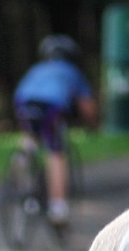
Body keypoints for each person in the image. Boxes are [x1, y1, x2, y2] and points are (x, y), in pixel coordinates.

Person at [11, 34, 99, 224]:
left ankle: (24, 162)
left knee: (31, 135)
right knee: (56, 154)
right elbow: (87, 106)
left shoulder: (37, 68)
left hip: (23, 103)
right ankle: (58, 208)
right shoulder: (72, 71)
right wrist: (93, 125)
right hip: (52, 106)